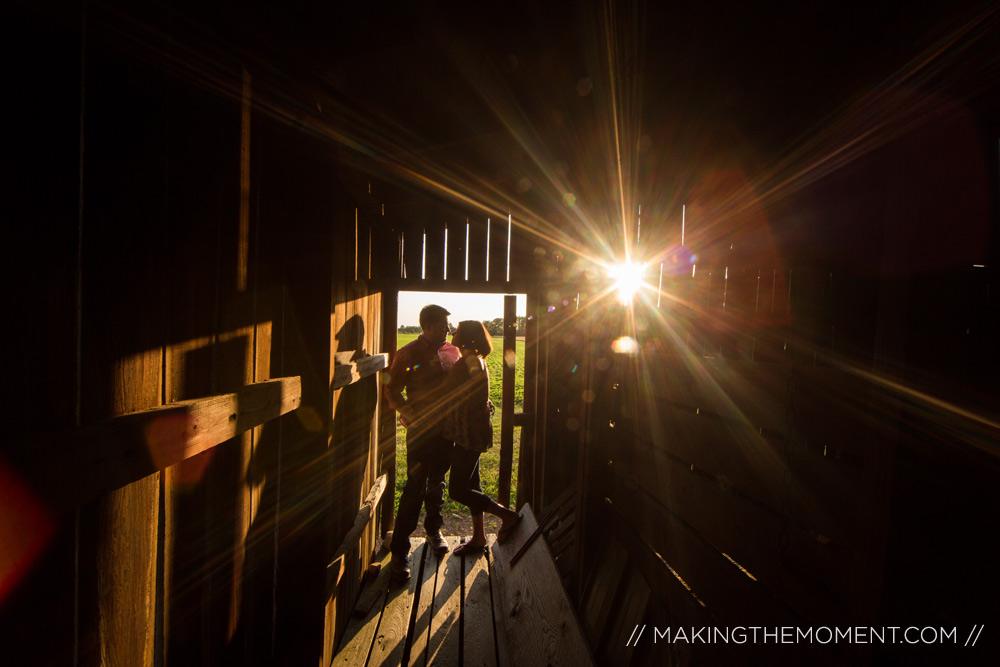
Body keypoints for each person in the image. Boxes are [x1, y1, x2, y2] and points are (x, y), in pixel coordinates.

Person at [384, 304, 457, 580]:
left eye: (447, 326)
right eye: (442, 326)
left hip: (447, 431)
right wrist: (409, 413)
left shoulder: (452, 352)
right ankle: (400, 552)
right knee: (414, 486)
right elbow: (391, 389)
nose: (448, 330)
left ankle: (433, 530)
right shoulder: (409, 353)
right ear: (427, 326)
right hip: (421, 432)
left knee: (437, 480)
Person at [438, 320, 521, 556]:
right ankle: (478, 537)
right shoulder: (477, 360)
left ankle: (507, 515)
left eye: (459, 330)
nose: (453, 332)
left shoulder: (467, 362)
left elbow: (446, 393)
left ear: (468, 337)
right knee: (472, 484)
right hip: (472, 431)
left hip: (468, 434)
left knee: (457, 490)